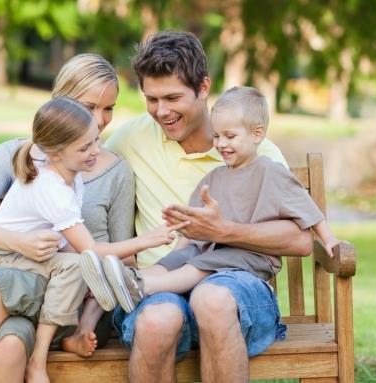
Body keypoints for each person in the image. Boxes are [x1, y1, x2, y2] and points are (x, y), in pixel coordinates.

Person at [103, 31, 314, 382]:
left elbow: (301, 240)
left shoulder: (253, 152)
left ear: (203, 88)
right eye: (151, 99)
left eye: (172, 97)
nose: (162, 111)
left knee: (211, 299)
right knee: (157, 320)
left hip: (236, 288)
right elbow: (69, 155)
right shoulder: (131, 138)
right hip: (161, 284)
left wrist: (224, 231)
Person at [0, 54, 140, 383]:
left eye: (109, 108)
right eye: (90, 108)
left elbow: (123, 258)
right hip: (17, 297)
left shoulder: (117, 172)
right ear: (60, 103)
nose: (101, 120)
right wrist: (22, 243)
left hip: (74, 309)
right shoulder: (14, 154)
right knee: (8, 346)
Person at [98, 86, 340, 313]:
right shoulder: (214, 177)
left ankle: (144, 288)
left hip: (250, 256)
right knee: (181, 257)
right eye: (216, 136)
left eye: (230, 136)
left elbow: (309, 210)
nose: (221, 144)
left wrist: (328, 239)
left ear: (257, 134)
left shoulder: (271, 171)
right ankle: (123, 281)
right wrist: (177, 249)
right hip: (213, 249)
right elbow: (191, 228)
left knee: (198, 265)